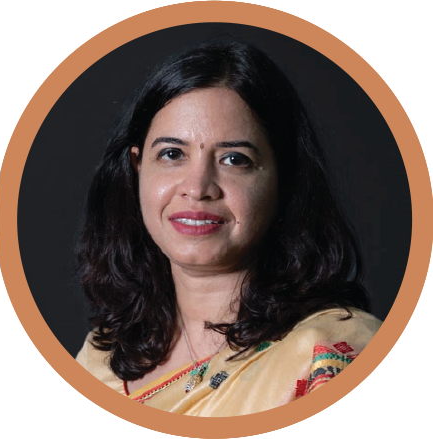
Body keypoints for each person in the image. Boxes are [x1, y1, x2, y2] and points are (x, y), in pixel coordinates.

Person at [75, 40, 381, 416]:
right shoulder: (102, 357)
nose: (198, 188)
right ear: (137, 167)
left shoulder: (331, 355)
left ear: (284, 179)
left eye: (234, 159)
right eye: (172, 154)